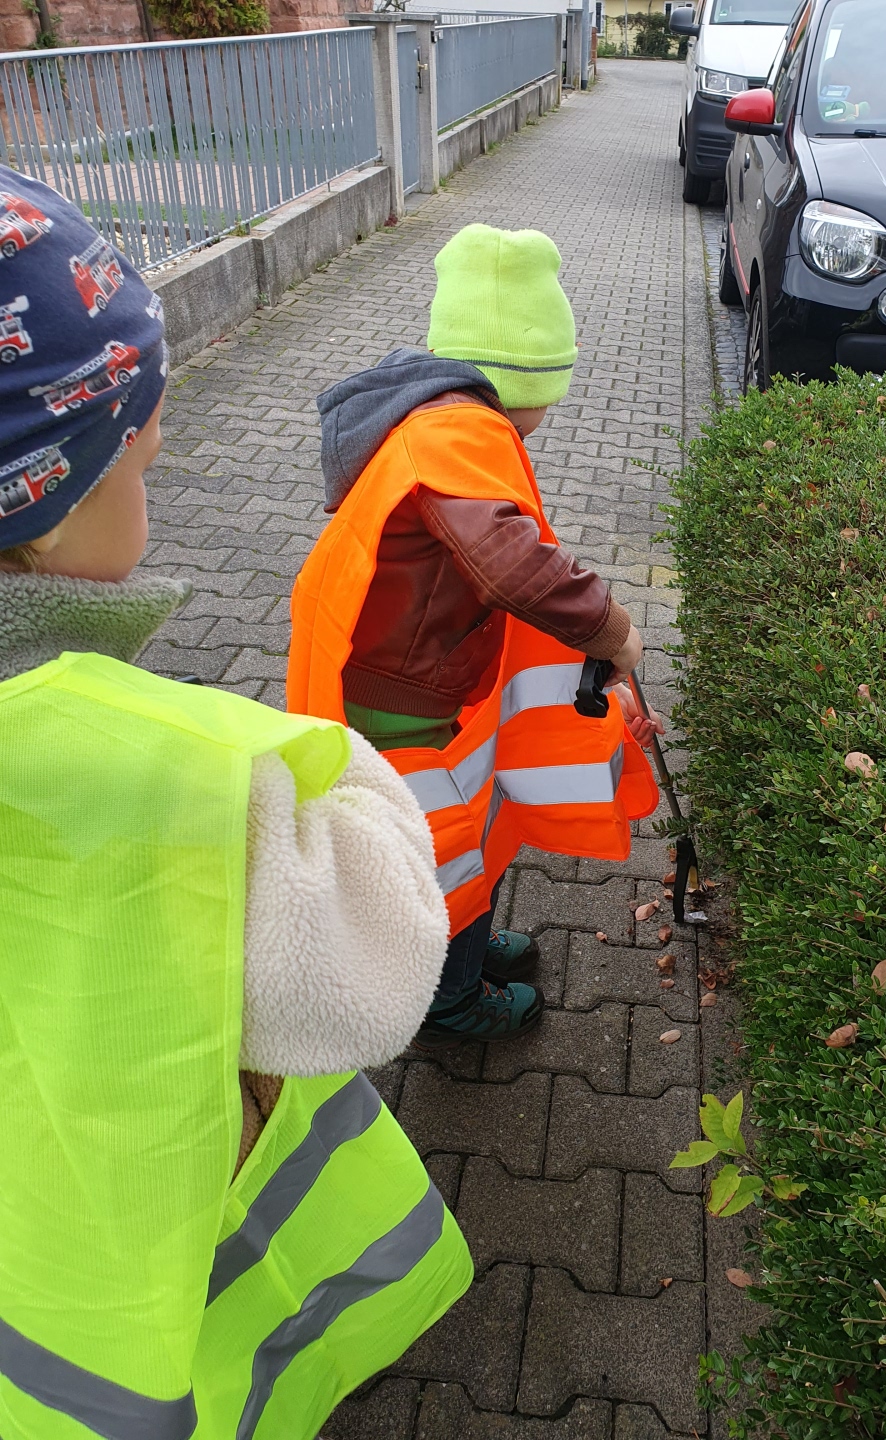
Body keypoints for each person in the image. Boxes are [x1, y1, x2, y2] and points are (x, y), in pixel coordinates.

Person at [0, 170, 472, 1440]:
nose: (159, 462)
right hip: (118, 1352)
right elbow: (376, 969)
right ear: (38, 516)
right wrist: (324, 761)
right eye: (137, 453)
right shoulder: (167, 770)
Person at [288, 223, 662, 1048]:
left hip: (418, 673)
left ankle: (467, 949)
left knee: (467, 823)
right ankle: (450, 1002)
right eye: (543, 404)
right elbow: (509, 560)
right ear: (515, 374)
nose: (540, 426)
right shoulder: (456, 434)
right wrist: (613, 628)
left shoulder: (433, 413)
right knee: (443, 849)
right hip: (404, 693)